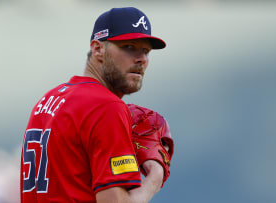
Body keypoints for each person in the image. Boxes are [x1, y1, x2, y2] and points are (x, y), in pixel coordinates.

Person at [20, 7, 167, 203]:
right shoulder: (106, 107)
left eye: (146, 51)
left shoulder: (48, 100)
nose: (141, 59)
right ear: (98, 49)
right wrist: (154, 179)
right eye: (129, 47)